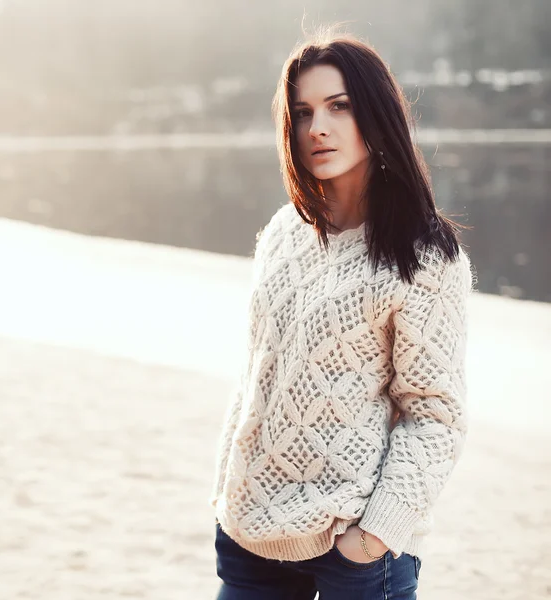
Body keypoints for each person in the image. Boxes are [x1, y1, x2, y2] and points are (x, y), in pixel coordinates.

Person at [209, 31, 475, 600]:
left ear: (375, 115)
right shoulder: (284, 233)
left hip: (350, 548)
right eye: (302, 112)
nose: (317, 128)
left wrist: (373, 536)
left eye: (338, 106)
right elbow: (258, 376)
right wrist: (228, 492)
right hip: (251, 535)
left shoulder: (424, 257)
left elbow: (435, 416)